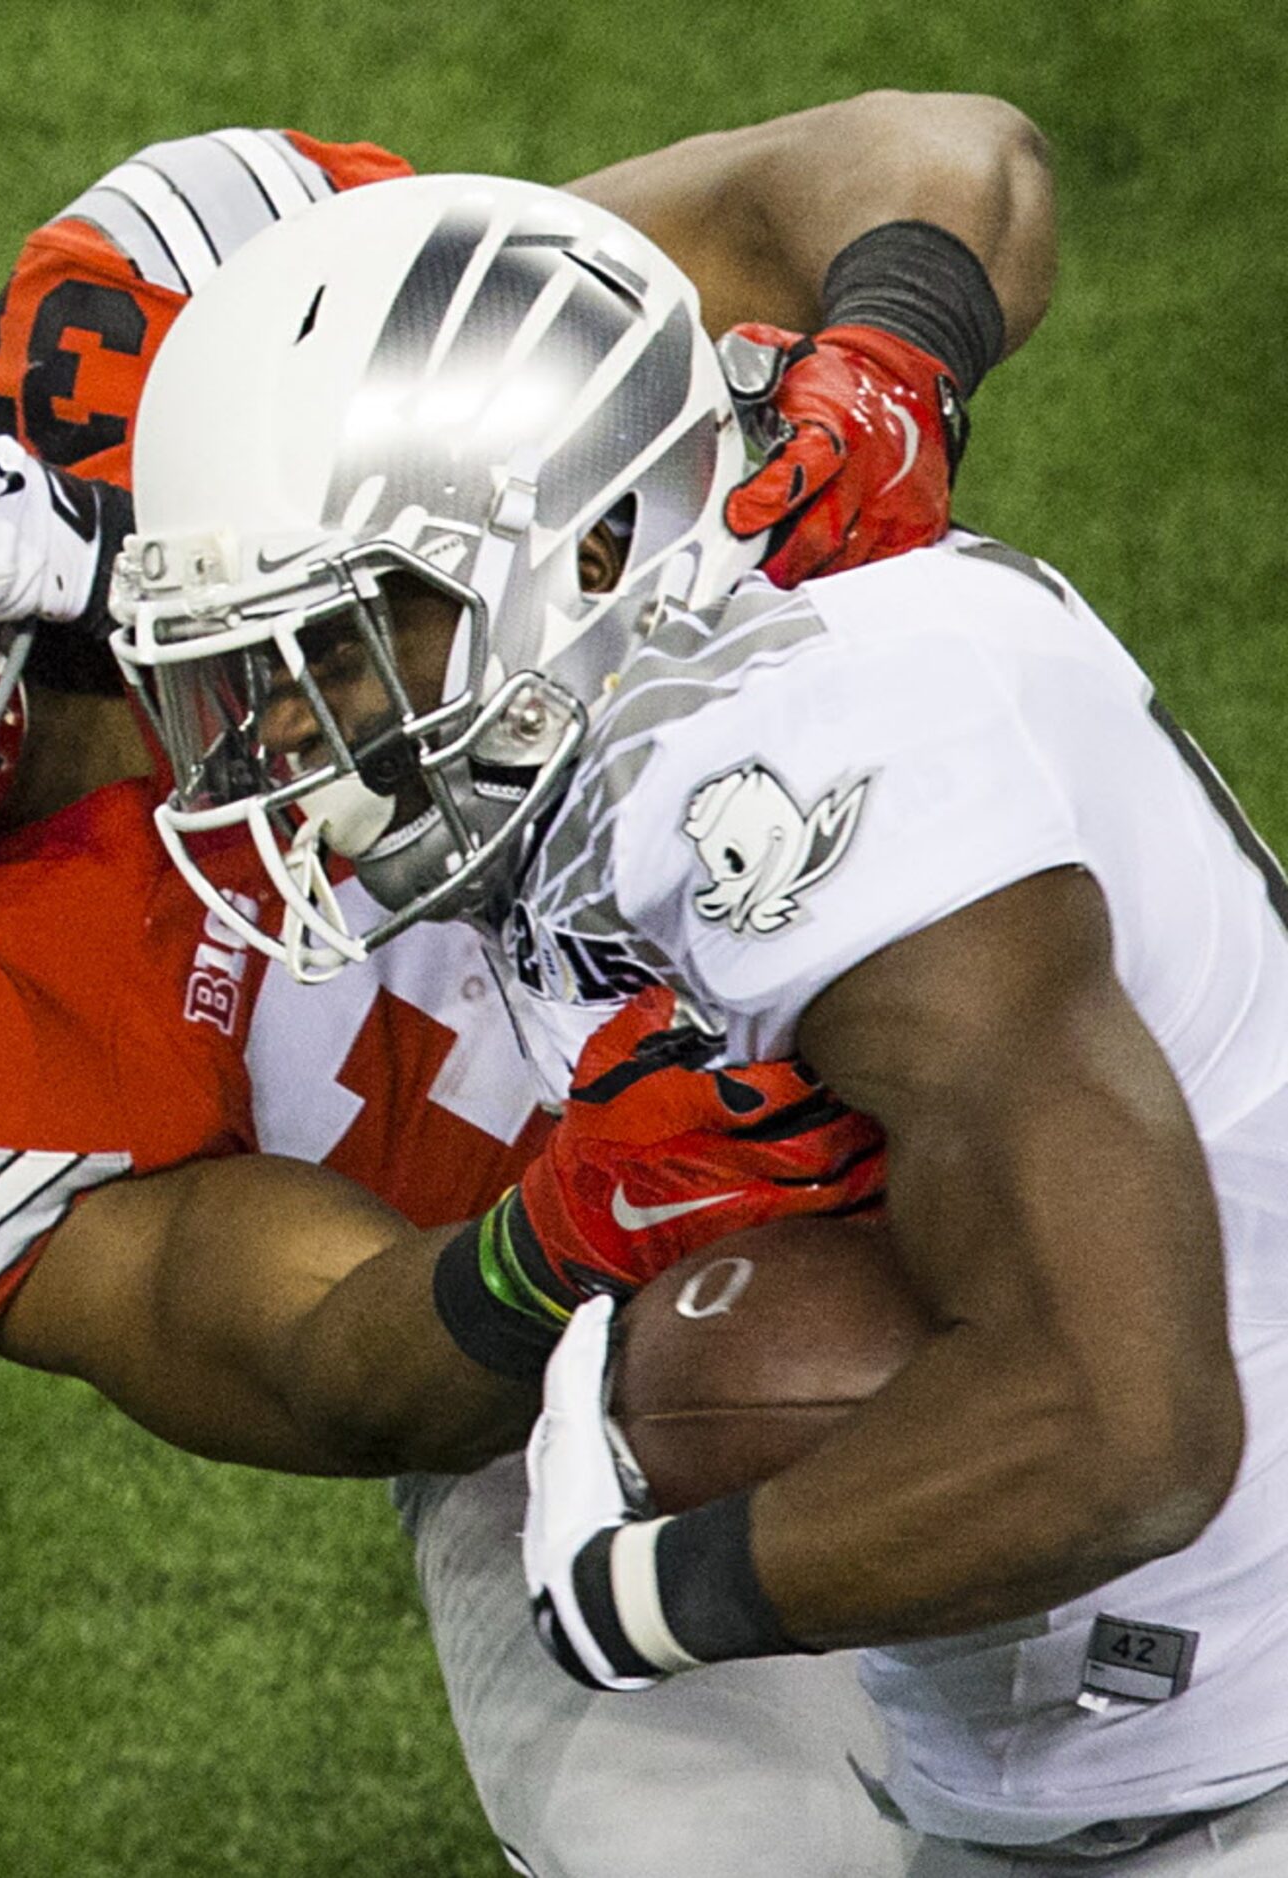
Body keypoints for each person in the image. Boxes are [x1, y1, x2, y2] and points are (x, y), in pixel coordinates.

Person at [0, 102, 1056, 1876]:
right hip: (586, 1362)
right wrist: (580, 1221)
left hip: (920, 951)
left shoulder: (179, 309)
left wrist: (892, 354)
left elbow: (927, 155)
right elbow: (318, 1361)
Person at [112, 168, 1287, 1871]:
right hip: (1083, 1760)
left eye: (342, 651)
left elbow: (1123, 1433)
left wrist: (639, 1600)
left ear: (585, 542)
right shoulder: (609, 726)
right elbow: (344, 1381)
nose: (297, 747)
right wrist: (561, 1227)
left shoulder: (802, 748)